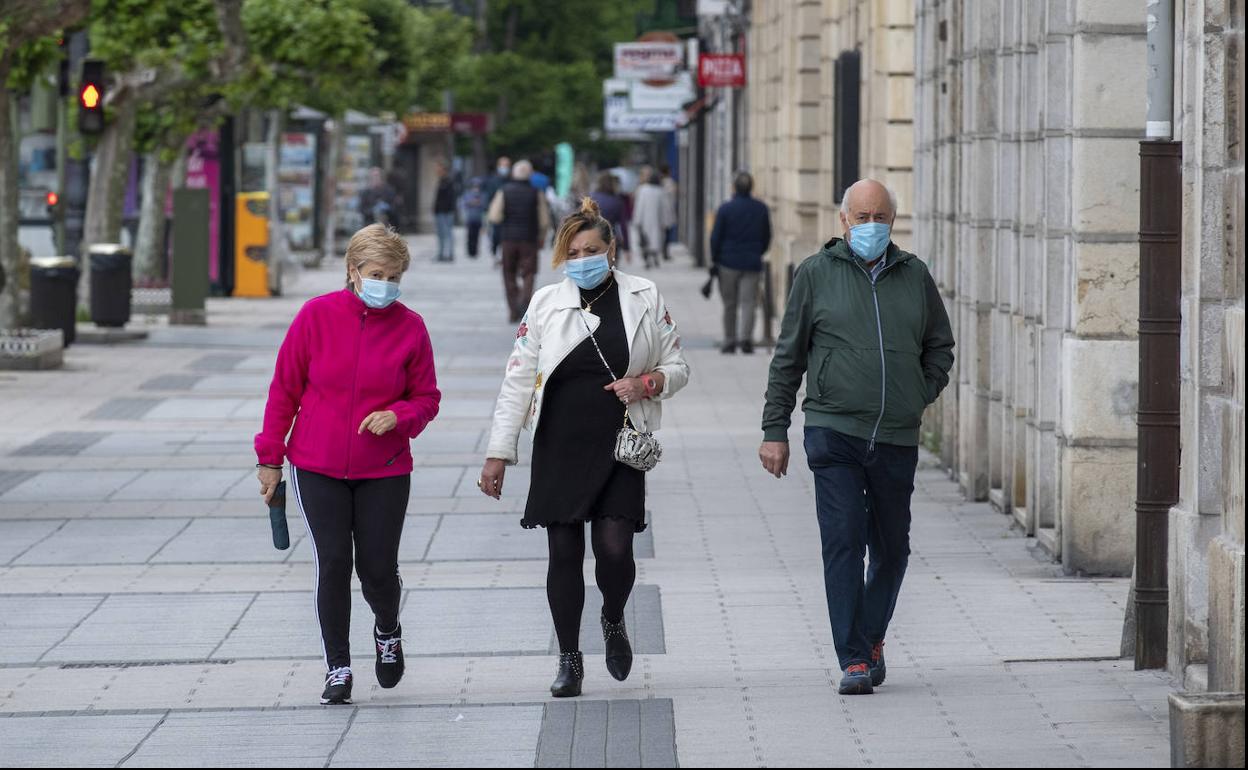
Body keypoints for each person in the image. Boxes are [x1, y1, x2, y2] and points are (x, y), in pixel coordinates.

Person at [478, 197, 690, 698]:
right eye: (572, 251)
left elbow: (679, 365)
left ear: (611, 249)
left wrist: (649, 383)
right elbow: (518, 380)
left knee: (615, 551)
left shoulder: (645, 295)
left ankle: (613, 616)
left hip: (618, 442)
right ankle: (569, 658)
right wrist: (498, 452)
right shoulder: (545, 303)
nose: (582, 259)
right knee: (563, 553)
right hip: (560, 441)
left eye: (591, 249)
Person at [758, 179, 955, 696]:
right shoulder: (816, 275)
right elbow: (788, 357)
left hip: (895, 435)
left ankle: (870, 639)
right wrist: (774, 429)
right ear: (843, 222)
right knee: (843, 543)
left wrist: (917, 393)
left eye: (881, 217)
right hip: (833, 432)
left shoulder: (914, 276)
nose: (871, 226)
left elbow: (940, 346)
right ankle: (853, 658)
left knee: (892, 550)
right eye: (861, 217)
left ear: (894, 221)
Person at [255, 224, 441, 705]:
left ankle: (388, 628)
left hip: (385, 468)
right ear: (352, 272)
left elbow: (427, 398)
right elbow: (284, 391)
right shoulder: (316, 316)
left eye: (395, 275)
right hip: (315, 465)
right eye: (377, 273)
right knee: (334, 562)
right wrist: (269, 459)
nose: (386, 284)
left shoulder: (411, 326)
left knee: (378, 569)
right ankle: (337, 667)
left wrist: (398, 415)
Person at [709, 171, 772, 354]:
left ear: (734, 187)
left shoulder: (725, 209)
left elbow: (715, 237)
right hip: (751, 262)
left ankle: (730, 340)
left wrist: (715, 258)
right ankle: (745, 339)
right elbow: (767, 235)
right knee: (749, 302)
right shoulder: (761, 208)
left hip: (727, 263)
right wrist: (758, 251)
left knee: (730, 304)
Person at [487, 159, 550, 323]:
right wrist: (542, 237)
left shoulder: (504, 191)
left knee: (508, 273)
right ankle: (524, 301)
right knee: (529, 273)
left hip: (508, 239)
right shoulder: (536, 192)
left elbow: (494, 216)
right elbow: (544, 221)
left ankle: (513, 310)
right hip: (529, 239)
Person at [631, 169, 671, 270]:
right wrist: (666, 221)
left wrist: (637, 220)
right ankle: (655, 257)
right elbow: (664, 208)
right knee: (656, 240)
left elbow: (639, 206)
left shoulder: (643, 189)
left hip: (644, 221)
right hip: (657, 221)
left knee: (645, 241)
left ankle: (647, 259)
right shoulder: (660, 191)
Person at [590, 173, 627, 257]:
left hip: (592, 238)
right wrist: (626, 247)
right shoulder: (617, 201)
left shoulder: (591, 198)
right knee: (611, 266)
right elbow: (623, 226)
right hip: (611, 239)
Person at [482, 156, 512, 262]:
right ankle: (495, 252)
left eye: (506, 165)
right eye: (502, 165)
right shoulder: (493, 180)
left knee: (508, 235)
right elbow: (488, 196)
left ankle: (505, 255)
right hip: (497, 212)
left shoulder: (512, 179)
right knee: (496, 234)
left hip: (510, 212)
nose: (504, 168)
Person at [433, 161, 456, 262]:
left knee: (447, 233)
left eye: (439, 168)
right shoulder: (442, 181)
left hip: (445, 212)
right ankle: (442, 253)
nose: (437, 170)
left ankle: (448, 254)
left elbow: (449, 198)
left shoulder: (448, 181)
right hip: (440, 211)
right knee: (441, 234)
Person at [460, 177, 487, 259]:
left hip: (478, 218)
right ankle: (470, 251)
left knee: (476, 236)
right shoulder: (467, 194)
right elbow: (463, 204)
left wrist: (478, 203)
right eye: (475, 186)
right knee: (470, 235)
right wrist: (471, 203)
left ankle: (475, 251)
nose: (476, 187)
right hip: (470, 218)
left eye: (477, 186)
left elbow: (484, 205)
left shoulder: (482, 194)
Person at [658, 163, 678, 262]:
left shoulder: (659, 183)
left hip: (660, 211)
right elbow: (673, 193)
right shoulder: (669, 182)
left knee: (663, 233)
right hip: (668, 210)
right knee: (667, 233)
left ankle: (663, 251)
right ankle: (665, 252)